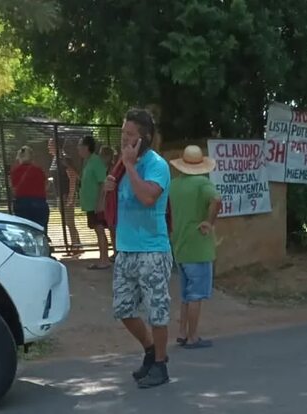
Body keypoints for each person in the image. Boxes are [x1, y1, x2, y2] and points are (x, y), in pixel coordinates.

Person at [103, 108, 172, 388]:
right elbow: (108, 205)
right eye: (122, 133)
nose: (124, 139)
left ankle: (161, 365)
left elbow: (147, 198)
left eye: (130, 134)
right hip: (126, 248)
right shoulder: (120, 166)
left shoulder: (157, 165)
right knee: (123, 308)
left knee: (157, 311)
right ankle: (149, 350)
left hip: (152, 250)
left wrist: (130, 166)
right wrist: (109, 186)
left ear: (144, 138)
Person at [169, 145, 221, 349]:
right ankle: (192, 336)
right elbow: (216, 199)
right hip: (198, 246)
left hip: (180, 244)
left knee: (185, 295)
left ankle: (182, 333)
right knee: (196, 295)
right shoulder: (202, 183)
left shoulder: (174, 185)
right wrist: (209, 221)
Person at [78, 135, 110, 270]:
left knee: (100, 230)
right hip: (91, 204)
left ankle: (104, 260)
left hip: (96, 204)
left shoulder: (95, 161)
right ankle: (103, 259)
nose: (78, 148)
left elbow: (103, 182)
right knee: (98, 231)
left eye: (80, 145)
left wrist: (100, 202)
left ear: (86, 147)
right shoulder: (88, 161)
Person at [48, 138, 81, 254]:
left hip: (66, 194)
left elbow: (73, 177)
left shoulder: (64, 159)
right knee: (67, 222)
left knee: (69, 222)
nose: (48, 148)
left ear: (57, 145)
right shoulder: (55, 159)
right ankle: (76, 244)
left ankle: (76, 246)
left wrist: (71, 196)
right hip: (59, 195)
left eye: (50, 145)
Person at [10, 146, 49, 231]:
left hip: (22, 203)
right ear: (32, 157)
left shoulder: (15, 171)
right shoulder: (38, 170)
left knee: (24, 231)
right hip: (39, 202)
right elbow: (45, 185)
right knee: (40, 231)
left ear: (19, 157)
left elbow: (13, 188)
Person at [99, 145, 117, 261]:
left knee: (113, 228)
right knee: (111, 228)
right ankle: (115, 251)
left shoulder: (113, 168)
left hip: (113, 201)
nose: (101, 157)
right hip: (107, 201)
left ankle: (117, 252)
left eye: (103, 155)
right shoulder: (103, 168)